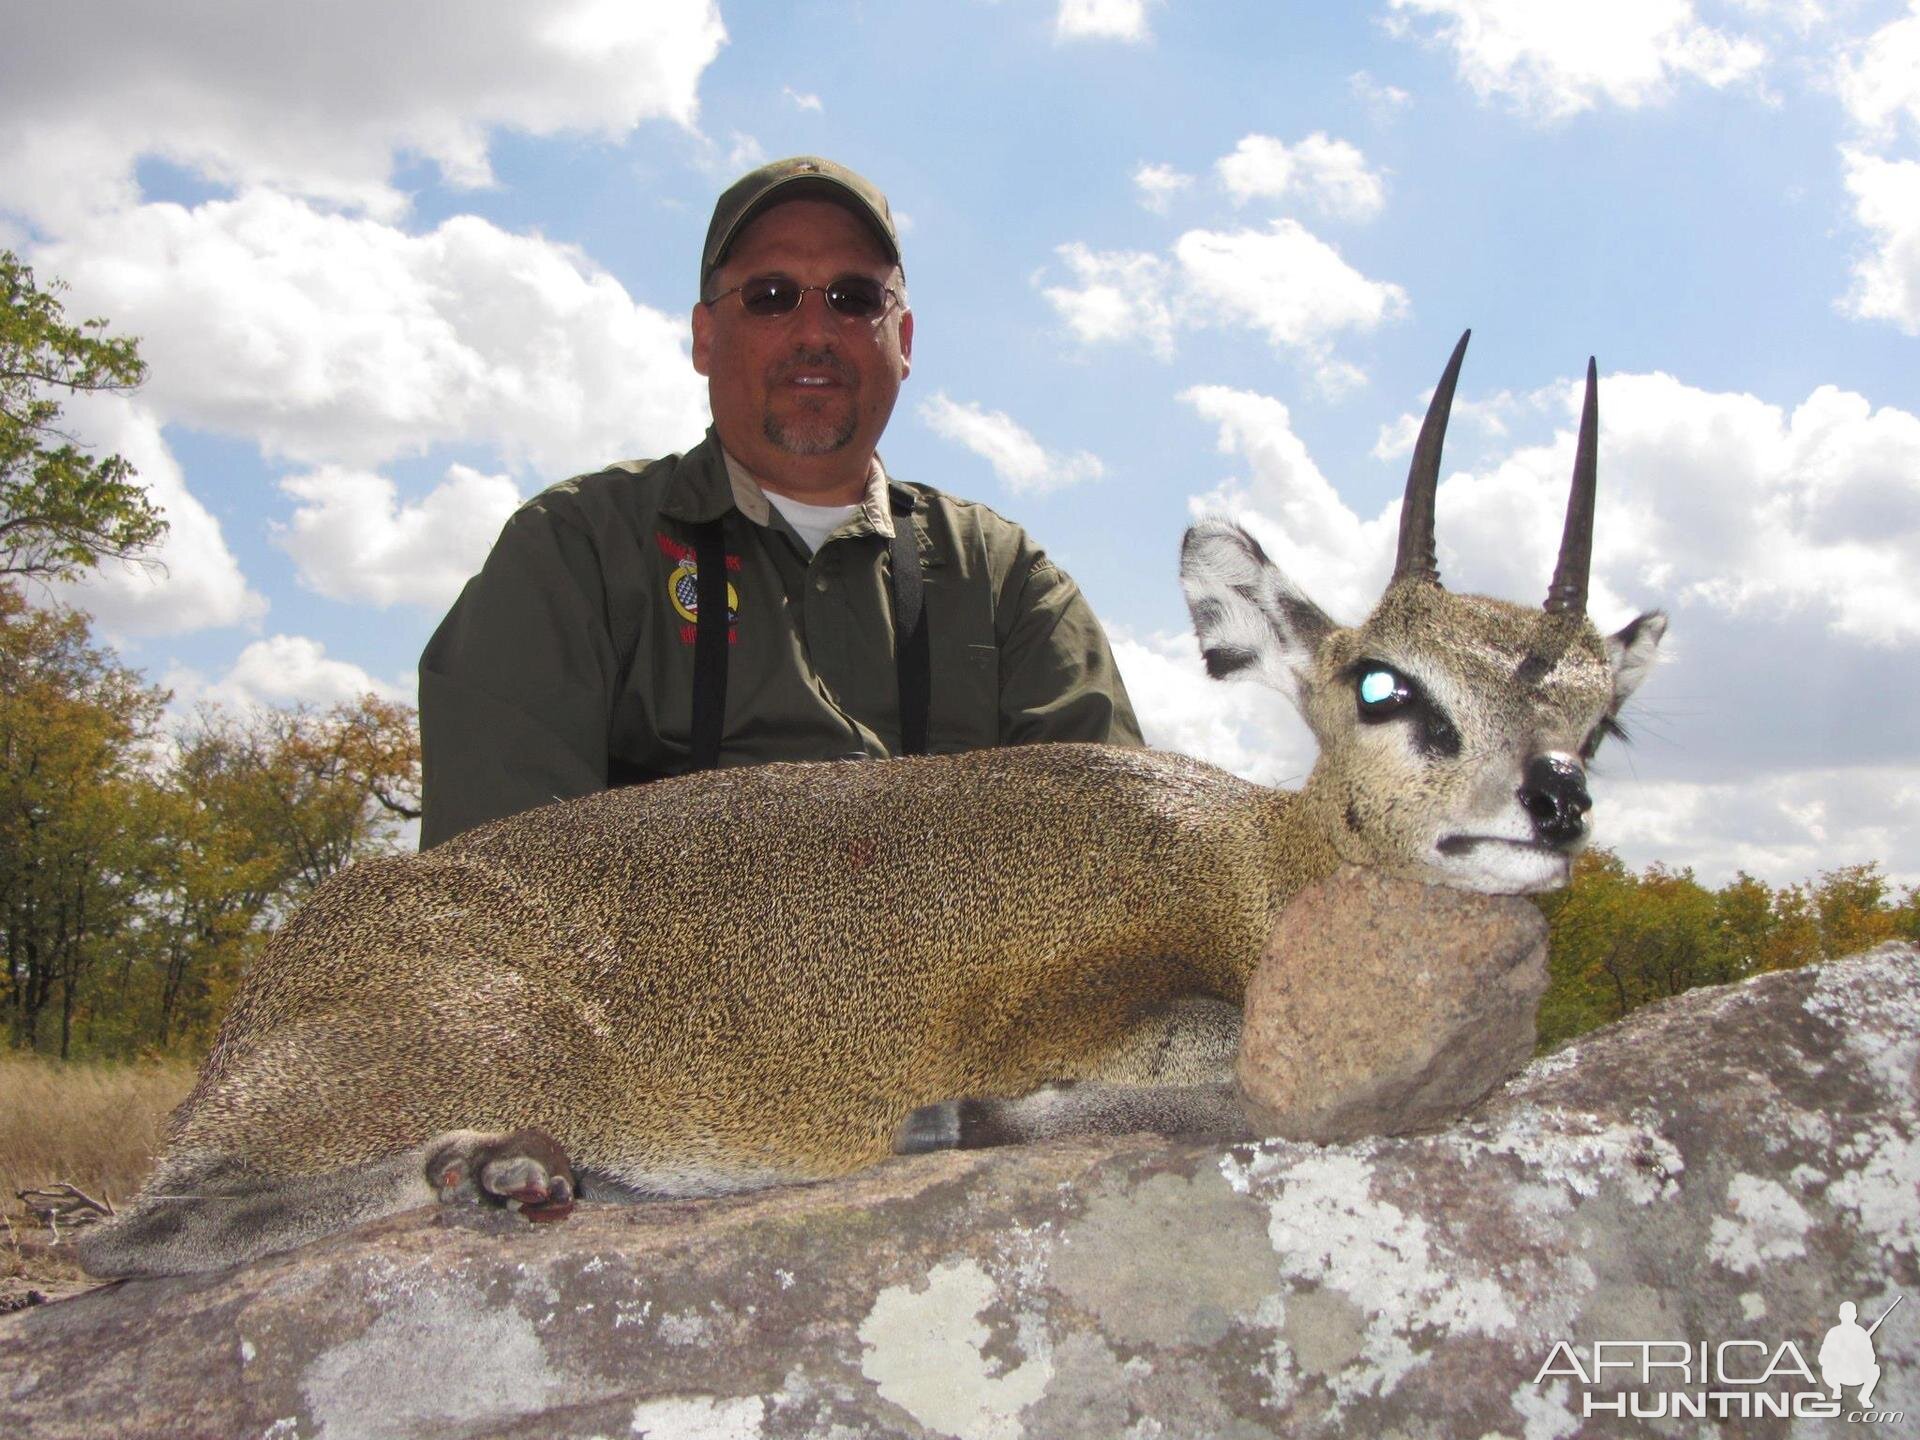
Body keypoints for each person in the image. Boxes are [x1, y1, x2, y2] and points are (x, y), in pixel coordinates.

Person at [418, 155, 1141, 847]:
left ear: (905, 339)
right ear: (704, 337)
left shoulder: (1008, 580)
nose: (815, 332)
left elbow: (1115, 855)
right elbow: (494, 888)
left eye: (855, 298)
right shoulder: (575, 550)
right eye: (770, 297)